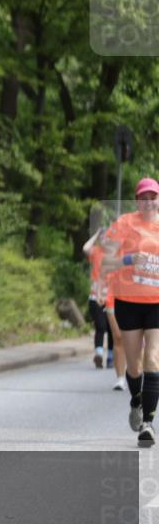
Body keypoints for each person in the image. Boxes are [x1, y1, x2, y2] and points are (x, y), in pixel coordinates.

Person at [100, 177, 159, 446]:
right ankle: (136, 400)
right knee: (134, 366)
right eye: (144, 197)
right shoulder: (124, 224)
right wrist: (129, 259)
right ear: (137, 201)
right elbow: (106, 263)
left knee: (153, 358)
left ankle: (148, 422)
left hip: (156, 302)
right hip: (128, 301)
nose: (149, 202)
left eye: (153, 197)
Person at [83, 228, 113, 371]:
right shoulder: (96, 252)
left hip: (112, 297)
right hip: (96, 296)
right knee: (100, 326)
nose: (104, 240)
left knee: (113, 329)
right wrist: (96, 234)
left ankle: (111, 357)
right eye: (102, 238)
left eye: (106, 238)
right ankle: (99, 354)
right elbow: (85, 248)